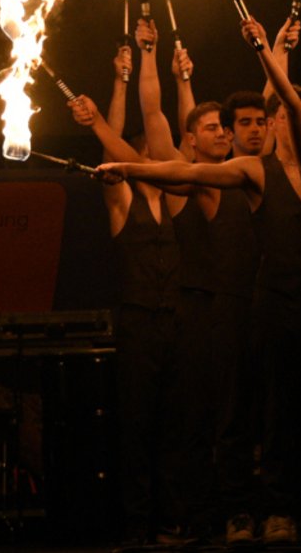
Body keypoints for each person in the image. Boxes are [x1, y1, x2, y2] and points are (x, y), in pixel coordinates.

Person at [100, 16, 301, 545]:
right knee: (225, 417)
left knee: (288, 411)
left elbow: (282, 111)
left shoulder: (275, 172)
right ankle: (226, 513)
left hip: (276, 309)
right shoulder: (225, 178)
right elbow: (163, 127)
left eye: (251, 124)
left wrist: (276, 47)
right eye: (232, 125)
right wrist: (129, 160)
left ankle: (296, 507)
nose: (243, 130)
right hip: (220, 314)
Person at [66, 41, 196, 549]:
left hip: (177, 322)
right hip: (139, 323)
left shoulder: (178, 202)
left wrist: (181, 76)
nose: (149, 161)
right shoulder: (121, 200)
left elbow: (185, 139)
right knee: (138, 428)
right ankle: (138, 527)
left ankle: (173, 521)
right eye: (143, 155)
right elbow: (110, 146)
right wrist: (118, 85)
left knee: (175, 427)